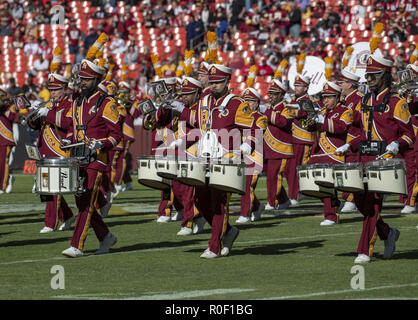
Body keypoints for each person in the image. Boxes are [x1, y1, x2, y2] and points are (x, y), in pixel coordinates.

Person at [172, 63, 267, 258]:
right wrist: (182, 137)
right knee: (200, 199)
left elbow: (255, 125)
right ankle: (229, 232)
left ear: (227, 82)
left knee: (219, 203)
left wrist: (248, 144)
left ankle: (214, 246)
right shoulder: (204, 101)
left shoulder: (236, 103)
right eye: (212, 81)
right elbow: (195, 123)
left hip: (227, 160)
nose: (214, 85)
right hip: (204, 158)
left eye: (218, 82)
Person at [39, 58, 122, 258]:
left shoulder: (106, 102)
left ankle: (77, 245)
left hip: (96, 159)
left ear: (97, 79)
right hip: (77, 158)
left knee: (86, 202)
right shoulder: (77, 102)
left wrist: (101, 143)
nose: (82, 82)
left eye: (87, 78)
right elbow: (72, 128)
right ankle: (106, 236)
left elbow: (116, 135)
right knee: (82, 202)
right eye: (81, 78)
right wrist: (69, 141)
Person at [336, 54, 415, 264]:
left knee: (372, 205)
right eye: (368, 76)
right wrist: (350, 145)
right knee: (362, 203)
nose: (369, 80)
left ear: (384, 76)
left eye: (374, 76)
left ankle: (364, 250)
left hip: (385, 162)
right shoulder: (365, 101)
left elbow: (409, 134)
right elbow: (364, 134)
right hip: (363, 159)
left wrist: (396, 144)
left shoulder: (397, 102)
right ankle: (388, 233)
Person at [27, 70, 75, 233]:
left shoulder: (70, 104)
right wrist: (32, 116)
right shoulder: (48, 105)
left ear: (64, 89)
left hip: (59, 151)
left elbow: (69, 123)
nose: (52, 93)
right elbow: (34, 126)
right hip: (45, 150)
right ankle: (67, 216)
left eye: (55, 90)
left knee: (52, 189)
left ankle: (50, 223)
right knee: (45, 188)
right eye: (51, 90)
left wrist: (49, 114)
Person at [307, 81, 353, 226]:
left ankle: (331, 216)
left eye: (329, 97)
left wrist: (322, 120)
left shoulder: (346, 111)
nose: (325, 100)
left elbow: (341, 128)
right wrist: (311, 120)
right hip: (319, 153)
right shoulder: (322, 111)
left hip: (334, 153)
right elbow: (310, 128)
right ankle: (335, 204)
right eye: (324, 97)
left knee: (327, 186)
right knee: (315, 185)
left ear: (338, 97)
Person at [263, 79, 294, 211]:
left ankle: (272, 202)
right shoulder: (270, 109)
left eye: (275, 94)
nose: (271, 96)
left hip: (280, 149)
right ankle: (284, 200)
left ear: (281, 95)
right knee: (270, 176)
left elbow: (283, 122)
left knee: (274, 177)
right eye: (270, 93)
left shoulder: (286, 108)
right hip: (269, 149)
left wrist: (268, 113)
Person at [236, 87, 266, 223]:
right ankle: (257, 206)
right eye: (245, 100)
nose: (247, 103)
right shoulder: (240, 116)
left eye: (251, 101)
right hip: (239, 155)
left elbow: (257, 131)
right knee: (241, 185)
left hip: (254, 156)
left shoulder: (261, 118)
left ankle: (245, 214)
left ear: (257, 103)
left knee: (248, 185)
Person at [284, 74, 314, 206]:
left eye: (299, 85)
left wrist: (288, 107)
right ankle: (298, 192)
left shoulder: (307, 100)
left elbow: (303, 114)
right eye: (295, 85)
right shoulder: (294, 100)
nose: (296, 88)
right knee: (289, 169)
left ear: (306, 88)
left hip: (303, 139)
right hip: (294, 139)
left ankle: (295, 195)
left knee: (297, 169)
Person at [338, 69, 364, 213]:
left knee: (353, 170)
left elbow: (361, 118)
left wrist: (346, 115)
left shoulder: (359, 98)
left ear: (350, 84)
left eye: (342, 83)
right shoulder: (345, 98)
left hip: (355, 137)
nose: (340, 85)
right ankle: (348, 197)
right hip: (345, 138)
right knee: (345, 170)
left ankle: (352, 200)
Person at [0, 88, 19, 194]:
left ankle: (1, 186)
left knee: (2, 163)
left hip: (5, 137)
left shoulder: (8, 107)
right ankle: (8, 178)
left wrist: (3, 108)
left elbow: (15, 118)